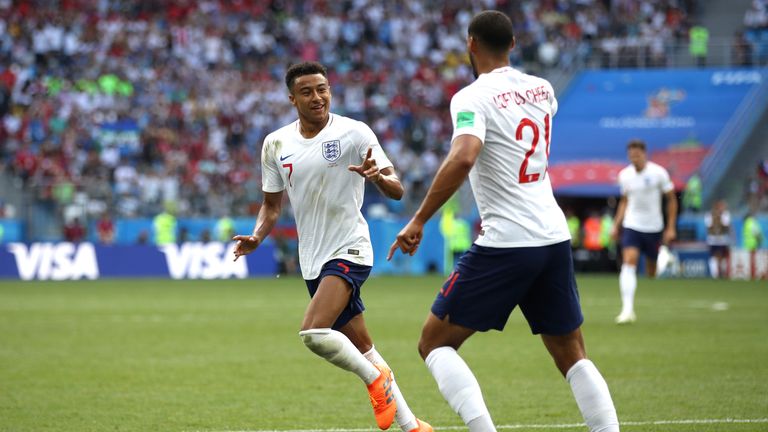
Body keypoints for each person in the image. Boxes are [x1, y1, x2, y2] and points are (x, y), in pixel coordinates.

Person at [387, 11, 619, 432]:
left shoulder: (471, 97)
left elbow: (464, 155)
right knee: (572, 353)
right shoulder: (543, 89)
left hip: (508, 241)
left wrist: (419, 218)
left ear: (470, 44)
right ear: (513, 44)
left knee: (433, 343)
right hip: (552, 236)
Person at [232, 61, 430, 432]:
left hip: (350, 247)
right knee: (365, 348)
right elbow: (271, 205)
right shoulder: (276, 143)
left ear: (330, 91)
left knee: (313, 333)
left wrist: (378, 178)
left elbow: (397, 188)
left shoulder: (355, 133)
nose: (317, 97)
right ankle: (413, 426)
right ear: (292, 99)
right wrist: (258, 235)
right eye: (306, 91)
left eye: (322, 89)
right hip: (313, 258)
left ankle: (374, 381)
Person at [611, 139, 677, 324]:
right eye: (631, 155)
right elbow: (624, 201)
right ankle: (627, 310)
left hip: (654, 227)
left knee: (651, 273)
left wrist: (670, 227)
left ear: (644, 154)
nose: (635, 158)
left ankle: (664, 258)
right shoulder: (624, 175)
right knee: (629, 262)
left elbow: (671, 200)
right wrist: (616, 224)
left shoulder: (658, 173)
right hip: (632, 225)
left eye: (637, 154)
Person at [704, 200, 731, 279]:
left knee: (722, 257)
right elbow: (709, 228)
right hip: (712, 239)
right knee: (713, 256)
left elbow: (726, 227)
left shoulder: (725, 214)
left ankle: (723, 273)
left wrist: (719, 219)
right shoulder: (709, 215)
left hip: (722, 239)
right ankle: (715, 274)